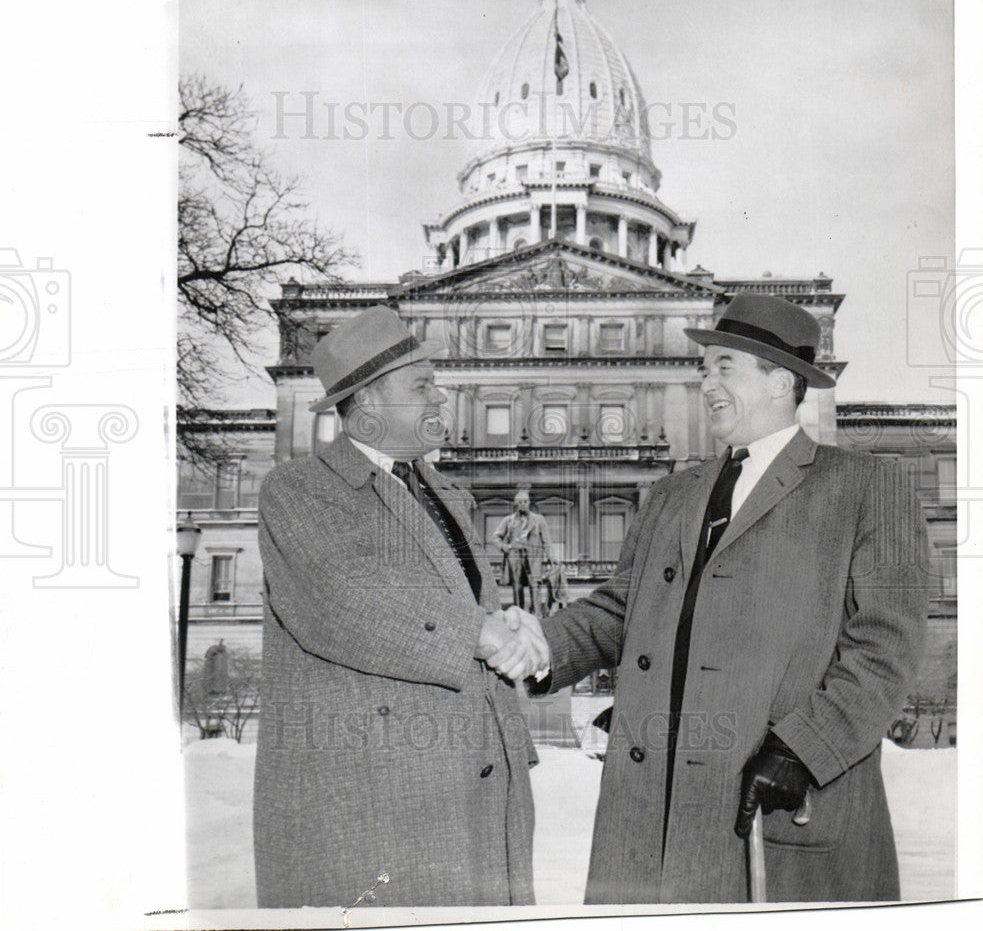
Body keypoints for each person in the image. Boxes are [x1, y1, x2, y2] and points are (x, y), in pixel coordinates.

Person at [512, 293, 929, 904]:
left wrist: (805, 752)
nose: (704, 381)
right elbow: (621, 611)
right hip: (646, 827)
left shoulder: (867, 488)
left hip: (774, 814)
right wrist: (536, 645)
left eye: (723, 367)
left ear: (780, 380)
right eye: (703, 368)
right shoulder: (672, 495)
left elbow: (885, 647)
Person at [254, 305, 546, 908]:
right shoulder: (300, 490)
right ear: (366, 406)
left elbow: (461, 611)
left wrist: (513, 625)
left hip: (479, 789)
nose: (442, 398)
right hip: (373, 808)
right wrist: (484, 634)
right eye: (422, 385)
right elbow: (347, 600)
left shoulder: (448, 496)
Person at [493, 488, 553, 615]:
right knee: (517, 586)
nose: (523, 504)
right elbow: (495, 537)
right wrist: (506, 547)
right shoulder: (508, 520)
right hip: (515, 556)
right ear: (516, 504)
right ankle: (519, 615)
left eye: (525, 501)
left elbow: (546, 540)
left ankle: (537, 615)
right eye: (520, 502)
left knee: (535, 585)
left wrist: (550, 557)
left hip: (534, 556)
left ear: (529, 502)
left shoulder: (539, 519)